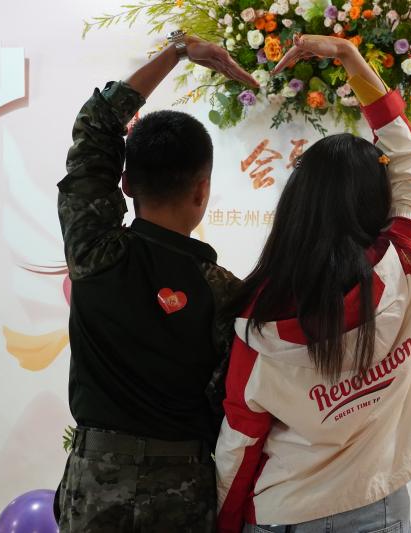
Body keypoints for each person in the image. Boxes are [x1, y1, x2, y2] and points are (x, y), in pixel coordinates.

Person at [214, 34, 411, 533]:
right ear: (377, 203)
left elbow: (241, 436)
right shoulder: (407, 261)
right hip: (377, 509)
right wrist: (349, 56)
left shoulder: (260, 318)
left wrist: (226, 520)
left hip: (286, 510)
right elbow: (409, 157)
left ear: (297, 204)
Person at [54, 33, 256, 532]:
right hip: (185, 486)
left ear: (126, 184)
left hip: (95, 482)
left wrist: (178, 51)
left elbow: (97, 125)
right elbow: (233, 406)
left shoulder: (94, 251)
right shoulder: (226, 293)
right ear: (202, 190)